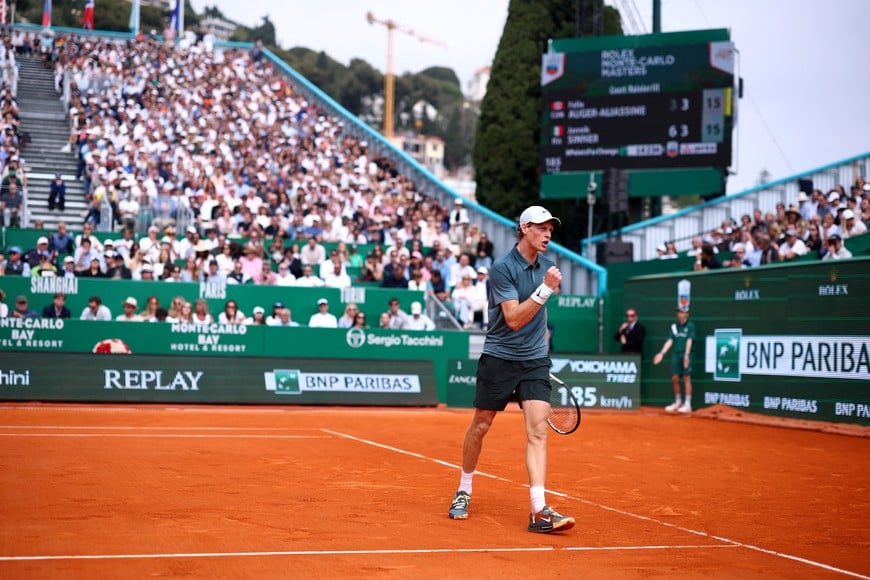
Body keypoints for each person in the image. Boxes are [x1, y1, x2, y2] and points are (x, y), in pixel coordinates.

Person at [448, 205, 574, 534]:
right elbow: (514, 320)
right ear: (524, 229)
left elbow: (535, 318)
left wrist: (546, 287)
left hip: (534, 360)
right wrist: (545, 289)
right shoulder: (502, 268)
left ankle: (538, 510)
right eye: (541, 228)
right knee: (482, 425)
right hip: (500, 357)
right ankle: (464, 489)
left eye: (550, 228)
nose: (548, 234)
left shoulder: (548, 266)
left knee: (537, 431)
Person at [652, 306, 696, 414]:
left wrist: (686, 355)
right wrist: (661, 353)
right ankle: (678, 402)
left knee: (686, 377)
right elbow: (670, 341)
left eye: (682, 312)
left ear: (687, 314)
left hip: (687, 354)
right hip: (676, 354)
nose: (679, 314)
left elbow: (689, 340)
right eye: (678, 312)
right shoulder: (674, 326)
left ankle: (688, 404)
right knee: (674, 378)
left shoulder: (690, 326)